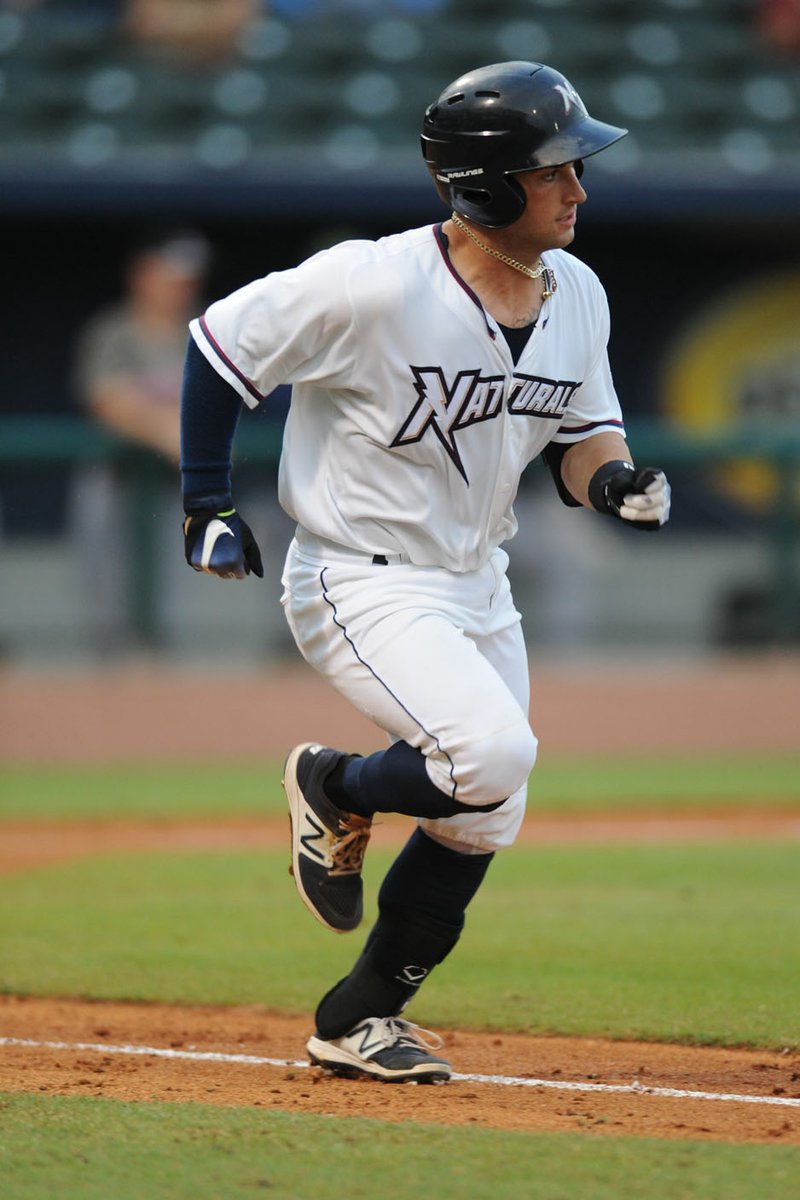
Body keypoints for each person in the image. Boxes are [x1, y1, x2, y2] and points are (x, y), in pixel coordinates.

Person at [179, 61, 672, 1083]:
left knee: (489, 806)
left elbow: (584, 438)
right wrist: (205, 503)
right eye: (554, 170)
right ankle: (334, 783)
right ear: (485, 186)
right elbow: (219, 345)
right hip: (360, 577)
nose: (577, 188)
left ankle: (357, 1017)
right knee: (486, 754)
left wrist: (616, 482)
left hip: (475, 580)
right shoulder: (369, 281)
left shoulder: (575, 291)